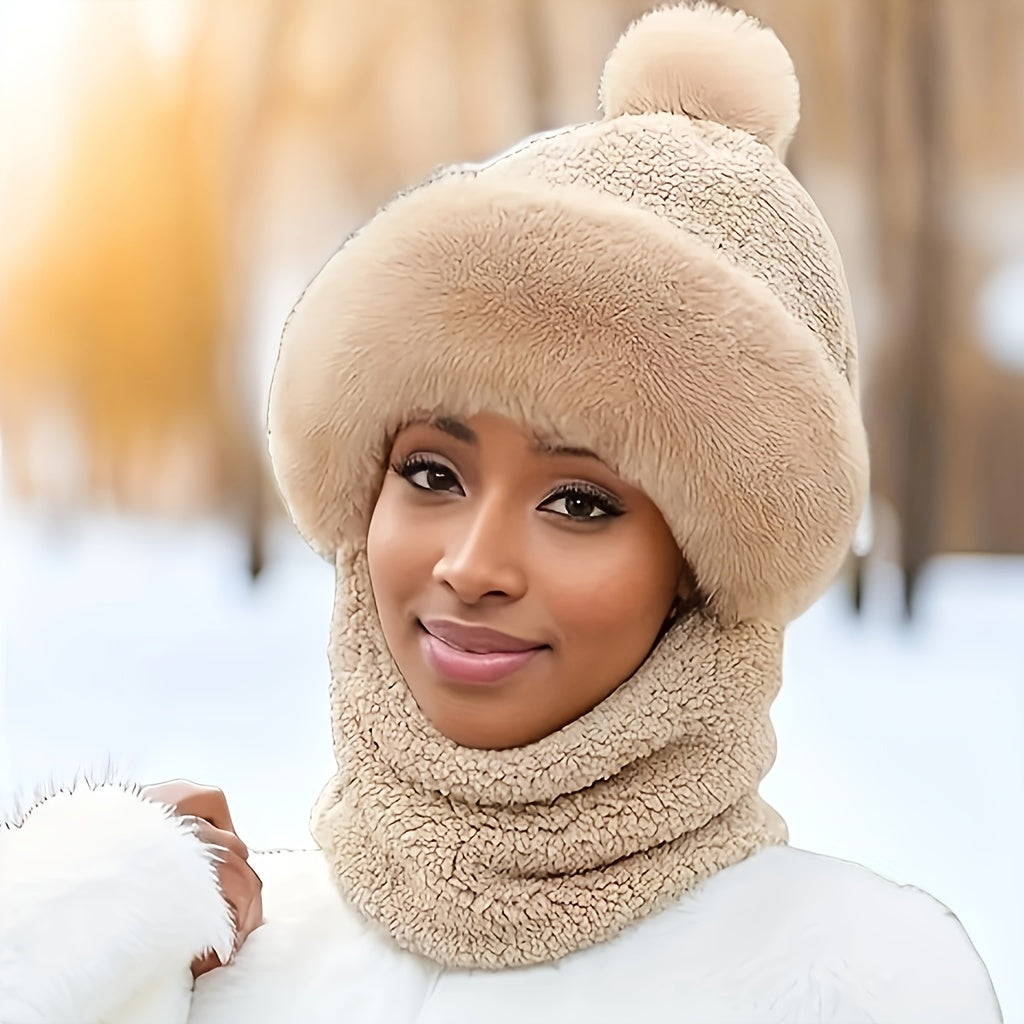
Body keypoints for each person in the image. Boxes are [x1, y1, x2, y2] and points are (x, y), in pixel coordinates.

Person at [0, 3, 1002, 1022]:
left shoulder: (855, 982)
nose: (472, 565)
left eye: (578, 500)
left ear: (700, 569)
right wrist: (67, 921)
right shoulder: (209, 953)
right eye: (432, 473)